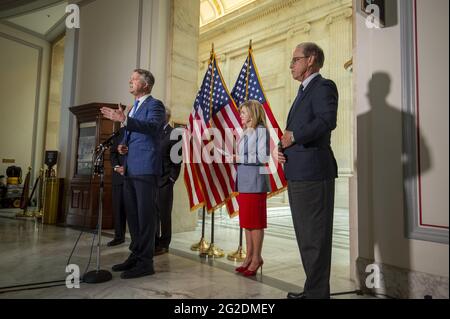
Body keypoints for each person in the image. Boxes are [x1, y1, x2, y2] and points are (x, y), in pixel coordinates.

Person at [279, 42, 338, 299]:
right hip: (298, 172)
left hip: (314, 174)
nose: (291, 64)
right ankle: (313, 291)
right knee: (306, 237)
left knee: (316, 238)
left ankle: (316, 295)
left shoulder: (323, 86)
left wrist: (293, 137)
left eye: (295, 59)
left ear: (311, 59)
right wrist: (283, 149)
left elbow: (327, 121)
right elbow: (293, 133)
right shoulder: (303, 92)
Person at [100, 68, 165, 279]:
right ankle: (135, 256)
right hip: (130, 168)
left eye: (134, 79)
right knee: (134, 217)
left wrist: (125, 119)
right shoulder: (134, 107)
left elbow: (154, 127)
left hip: (146, 168)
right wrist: (123, 146)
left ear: (145, 84)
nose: (130, 81)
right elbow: (133, 134)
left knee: (146, 217)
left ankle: (146, 263)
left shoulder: (155, 104)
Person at [234, 100, 270, 277]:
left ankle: (257, 258)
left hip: (255, 181)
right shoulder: (246, 132)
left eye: (243, 112)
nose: (240, 115)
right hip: (245, 181)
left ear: (253, 113)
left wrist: (237, 156)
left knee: (255, 222)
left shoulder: (261, 130)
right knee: (247, 221)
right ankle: (248, 257)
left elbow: (262, 157)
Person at [154, 108, 181, 256]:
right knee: (153, 214)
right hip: (152, 180)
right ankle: (154, 242)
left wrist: (171, 179)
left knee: (164, 214)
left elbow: (177, 160)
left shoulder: (174, 133)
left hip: (165, 181)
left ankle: (164, 244)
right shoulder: (154, 133)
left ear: (165, 117)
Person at [107, 125, 126, 247]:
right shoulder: (119, 132)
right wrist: (116, 167)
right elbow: (113, 153)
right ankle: (119, 237)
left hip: (134, 176)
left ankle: (137, 241)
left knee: (133, 211)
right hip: (118, 176)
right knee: (118, 208)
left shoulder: (140, 131)